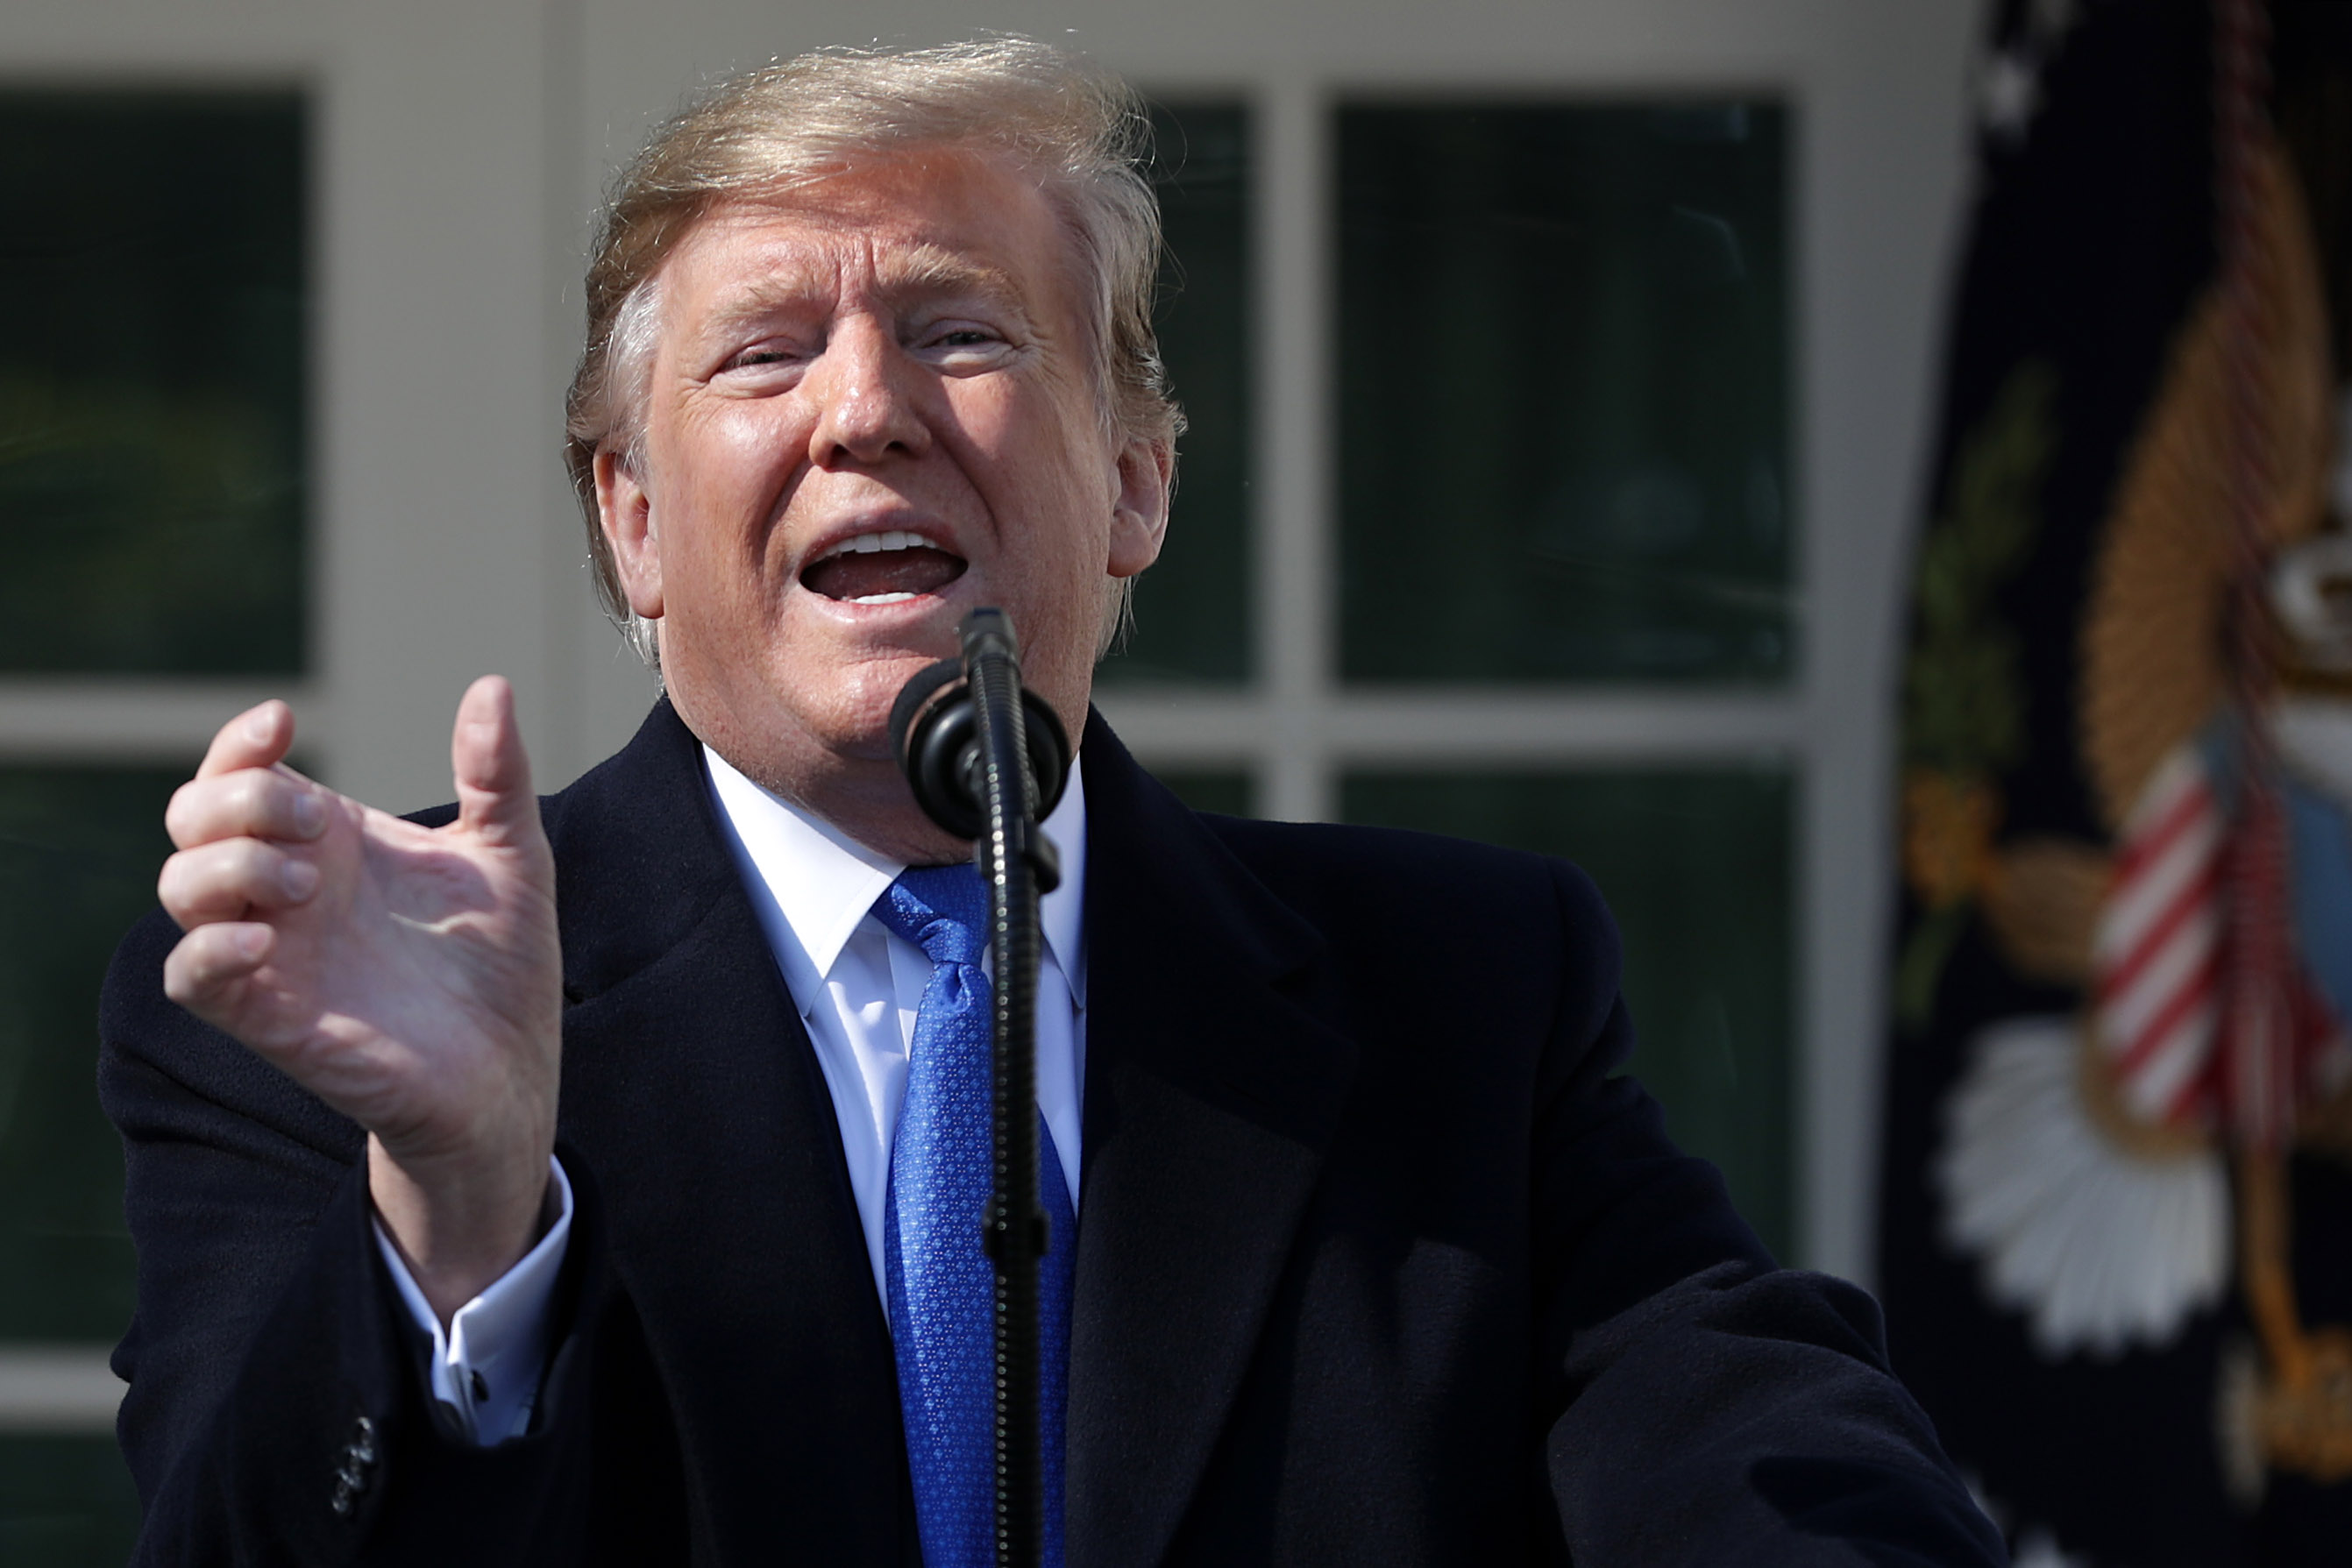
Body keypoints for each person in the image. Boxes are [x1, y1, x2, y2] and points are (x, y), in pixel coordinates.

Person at [100, 38, 2006, 1567]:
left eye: (961, 331)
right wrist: (459, 1207)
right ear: (631, 522)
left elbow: (1760, 1460)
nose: (866, 410)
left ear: (1138, 488)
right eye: (766, 355)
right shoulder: (344, 1015)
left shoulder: (1466, 990)